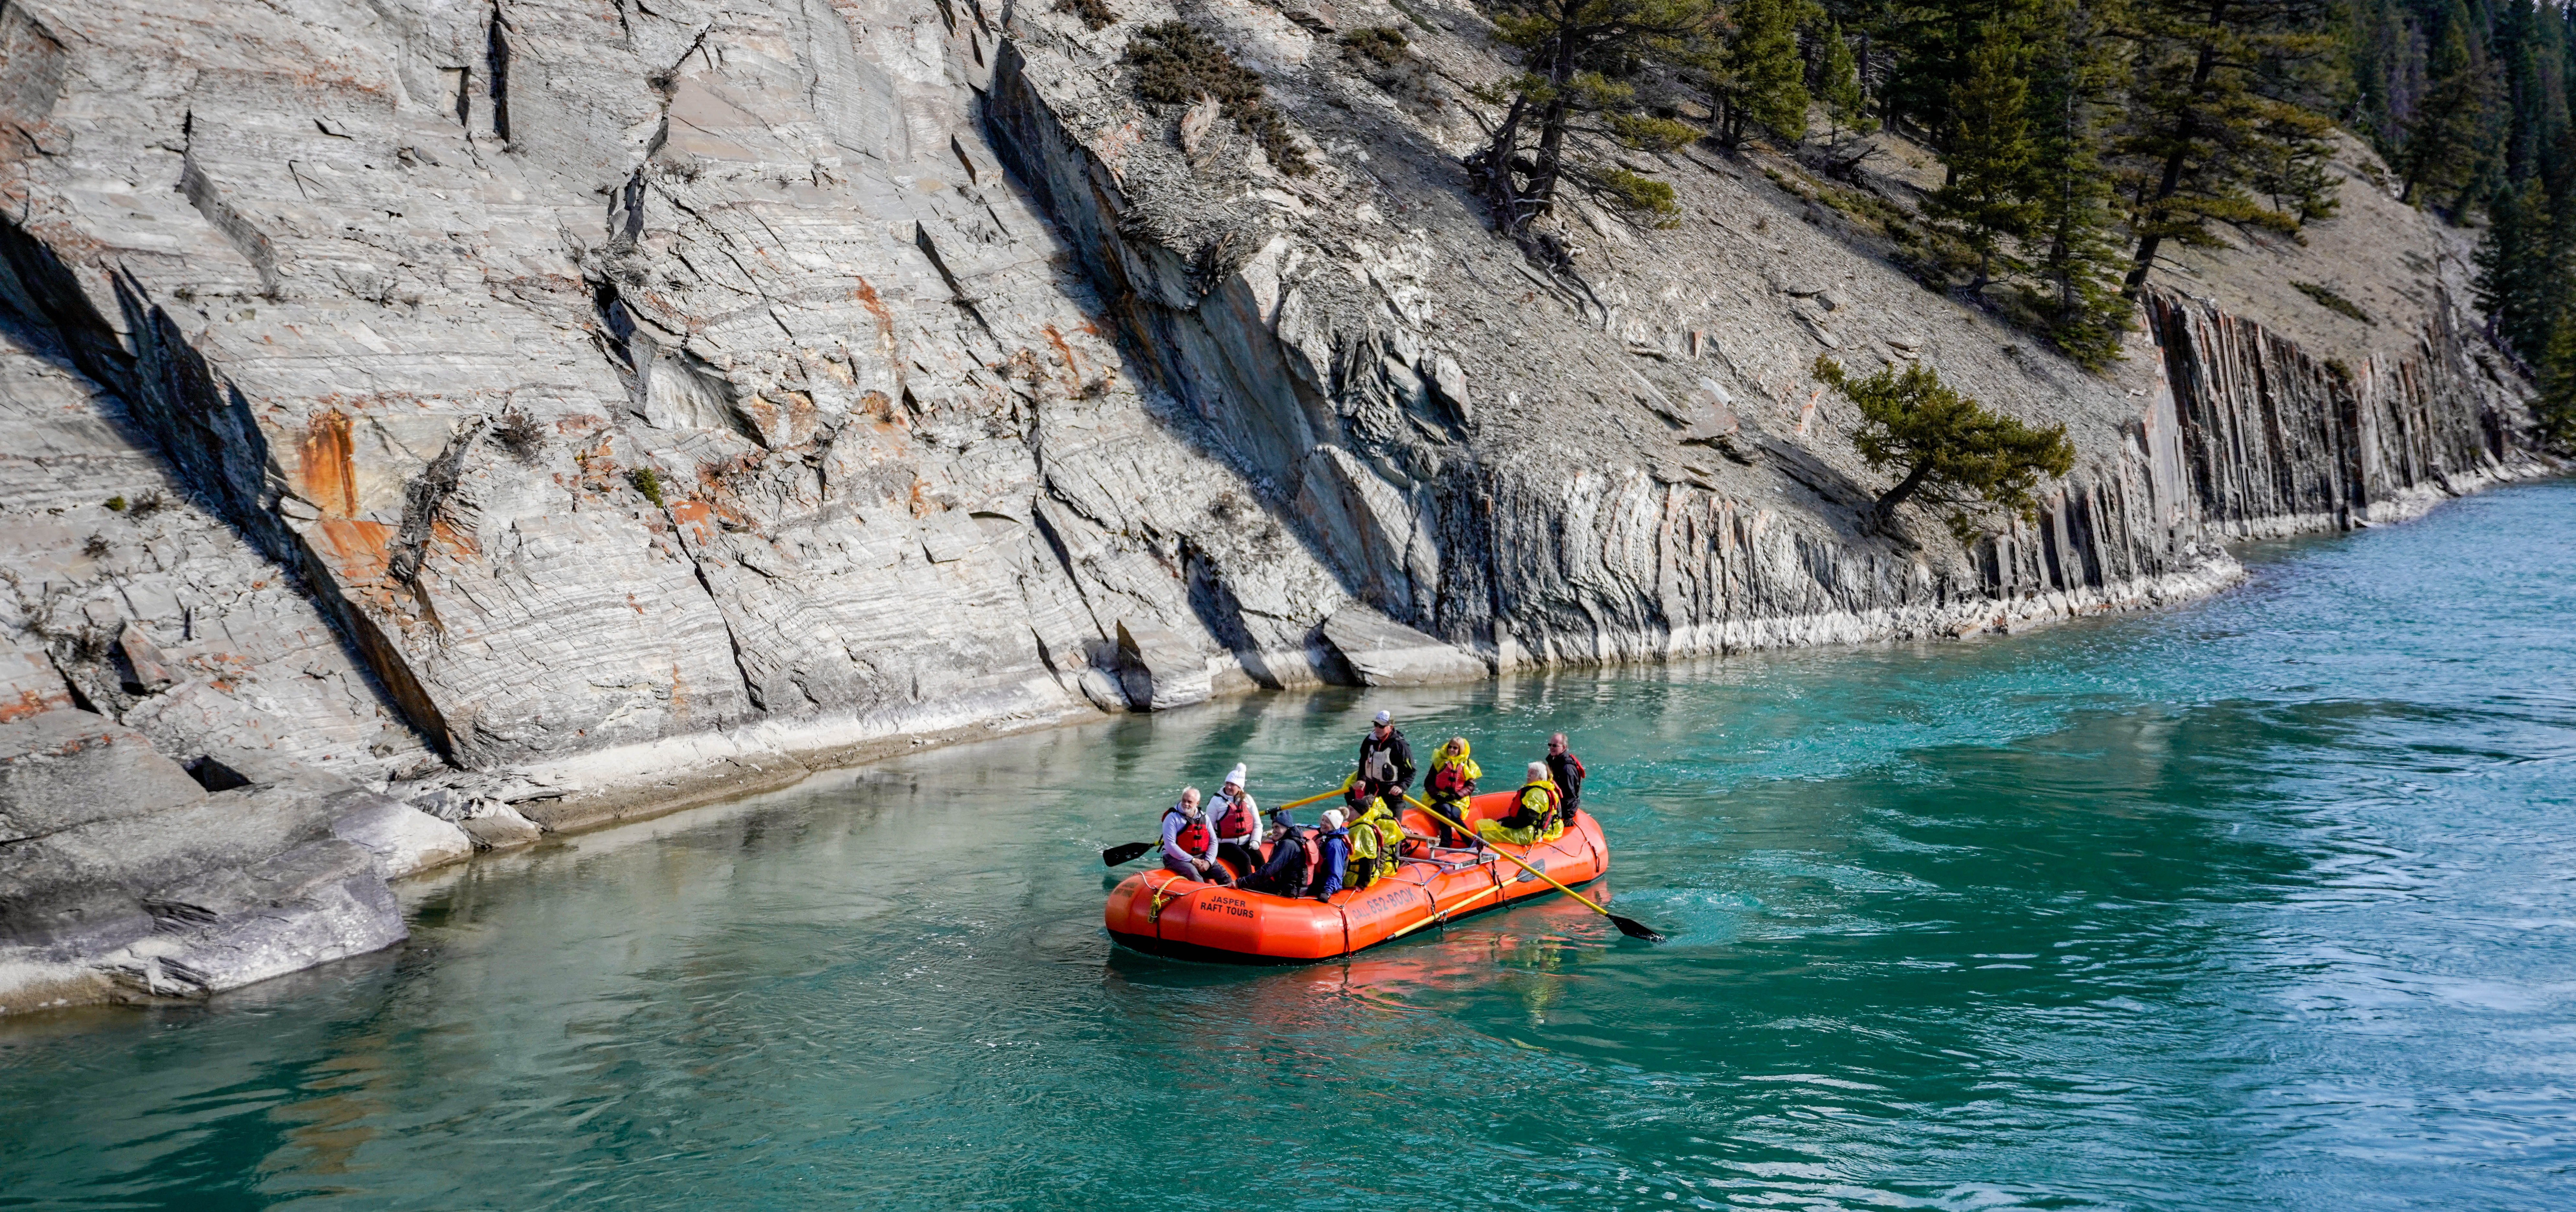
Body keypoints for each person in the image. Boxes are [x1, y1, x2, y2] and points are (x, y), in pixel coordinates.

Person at [1475, 762, 1562, 848]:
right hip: (1529, 831)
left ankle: (1470, 854)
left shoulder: (1536, 794)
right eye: (1529, 772)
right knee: (1487, 826)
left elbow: (1526, 821)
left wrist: (1504, 824)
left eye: (1532, 773)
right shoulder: (1541, 791)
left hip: (1527, 834)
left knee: (1483, 833)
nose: (1528, 775)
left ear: (1540, 778)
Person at [1159, 787, 1232, 885]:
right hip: (1174, 857)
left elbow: (1213, 842)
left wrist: (1208, 862)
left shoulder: (1204, 818)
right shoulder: (1172, 818)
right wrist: (1192, 860)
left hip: (1200, 856)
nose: (1186, 804)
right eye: (1184, 801)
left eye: (1190, 802)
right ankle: (1204, 895)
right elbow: (1170, 846)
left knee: (1222, 874)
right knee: (1193, 872)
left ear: (1197, 803)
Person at [1422, 736, 1480, 848]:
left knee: (1454, 814)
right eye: (1450, 747)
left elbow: (1470, 786)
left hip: (1458, 799)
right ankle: (1446, 842)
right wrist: (1437, 795)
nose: (1452, 750)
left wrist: (1457, 796)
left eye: (1456, 748)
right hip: (1438, 797)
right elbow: (1428, 783)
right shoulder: (1440, 762)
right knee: (1445, 810)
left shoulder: (1468, 765)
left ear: (1461, 750)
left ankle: (1470, 842)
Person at [1244, 808, 1316, 896]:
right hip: (1291, 887)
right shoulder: (1292, 841)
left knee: (1246, 888)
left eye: (1277, 827)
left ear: (1287, 828)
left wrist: (1242, 882)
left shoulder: (1288, 845)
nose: (1274, 831)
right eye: (1273, 828)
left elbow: (1269, 870)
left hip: (1289, 891)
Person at [1210, 765, 1262, 878]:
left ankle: (1265, 885)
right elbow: (1208, 828)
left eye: (1232, 785)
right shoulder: (1216, 801)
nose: (1228, 787)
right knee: (1244, 859)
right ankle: (1247, 887)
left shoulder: (1248, 800)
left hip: (1245, 841)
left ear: (1240, 787)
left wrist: (1256, 841)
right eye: (1227, 783)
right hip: (1224, 844)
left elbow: (1258, 824)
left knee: (1259, 859)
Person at [1354, 710, 1415, 806]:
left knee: (1392, 821)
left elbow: (1411, 771)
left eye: (1382, 726)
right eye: (1376, 724)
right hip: (1371, 791)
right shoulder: (1369, 741)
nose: (1377, 729)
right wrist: (1361, 779)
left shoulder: (1400, 745)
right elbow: (1363, 762)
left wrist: (1401, 787)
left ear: (1391, 728)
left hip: (1392, 793)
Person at [1309, 808, 1352, 900]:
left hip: (1326, 884)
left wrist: (1327, 892)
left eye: (1327, 822)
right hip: (1317, 878)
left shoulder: (1335, 845)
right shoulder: (1323, 837)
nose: (1323, 823)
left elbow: (1336, 872)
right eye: (1323, 820)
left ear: (1334, 826)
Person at [1545, 733, 1587, 824]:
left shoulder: (1567, 769)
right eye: (1550, 745)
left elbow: (1571, 794)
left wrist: (1569, 817)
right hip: (1554, 801)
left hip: (1563, 808)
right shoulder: (1554, 761)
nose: (1552, 748)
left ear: (1564, 748)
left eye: (1555, 745)